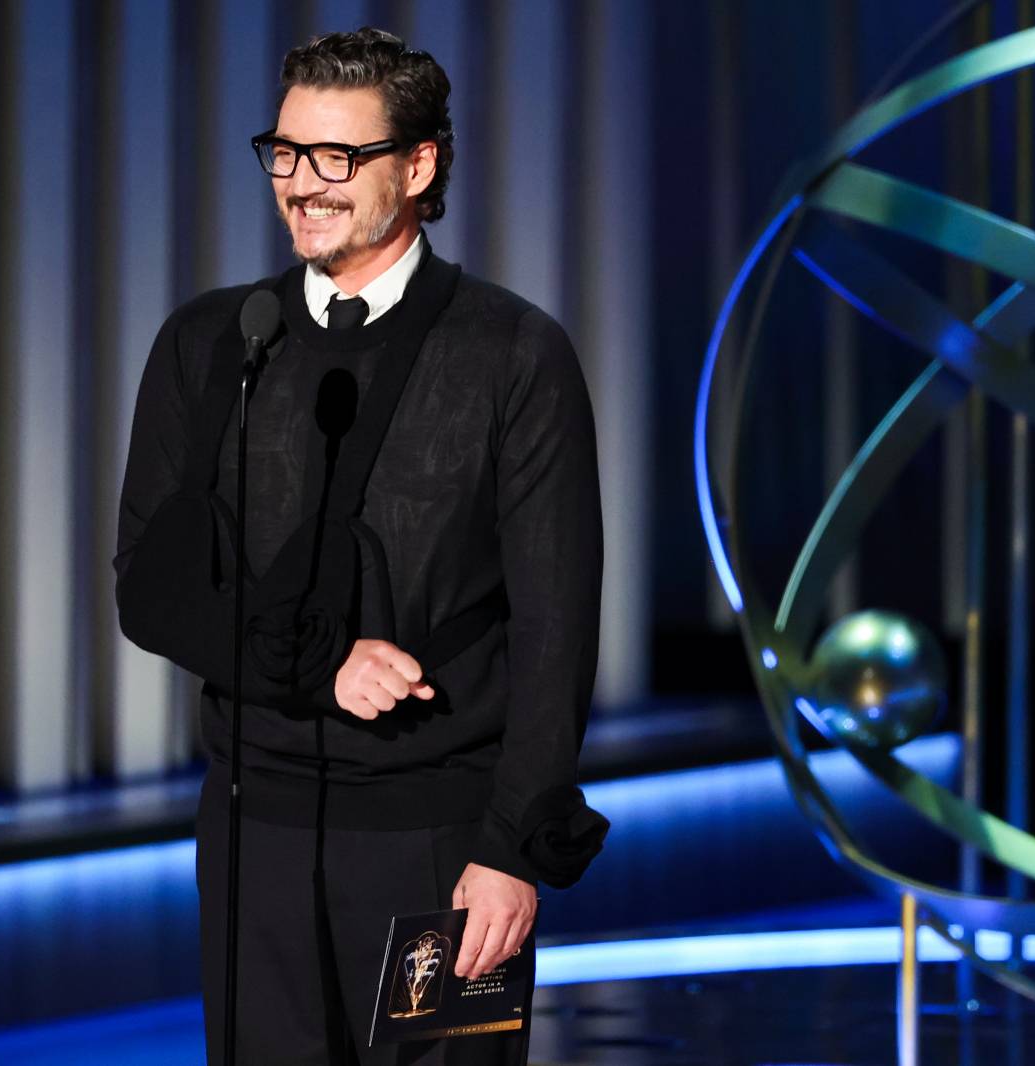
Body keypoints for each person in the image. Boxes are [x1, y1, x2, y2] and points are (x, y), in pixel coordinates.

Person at [113, 27, 608, 1066]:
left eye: (337, 157)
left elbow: (555, 625)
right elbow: (150, 593)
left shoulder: (512, 353)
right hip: (256, 838)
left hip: (440, 847)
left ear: (418, 165)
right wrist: (319, 663)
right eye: (286, 153)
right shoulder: (213, 342)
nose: (302, 185)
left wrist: (511, 847)